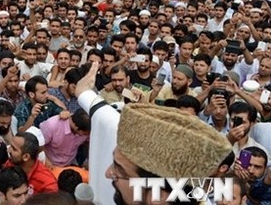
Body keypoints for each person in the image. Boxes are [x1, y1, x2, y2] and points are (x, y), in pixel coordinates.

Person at [74, 61, 233, 204]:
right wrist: (85, 88)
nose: (108, 173)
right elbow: (88, 96)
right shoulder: (125, 131)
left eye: (120, 170)